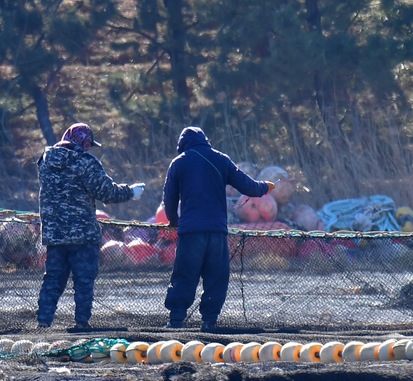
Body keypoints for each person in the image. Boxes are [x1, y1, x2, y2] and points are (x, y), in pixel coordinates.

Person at [161, 127, 273, 331]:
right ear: (205, 141)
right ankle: (209, 321)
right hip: (216, 232)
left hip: (191, 232)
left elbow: (169, 198)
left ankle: (176, 320)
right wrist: (266, 186)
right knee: (216, 276)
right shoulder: (221, 159)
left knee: (185, 275)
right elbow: (249, 187)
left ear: (183, 144)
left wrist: (173, 221)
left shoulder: (179, 162)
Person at [36, 123, 143, 332]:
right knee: (84, 282)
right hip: (83, 234)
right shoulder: (85, 163)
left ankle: (43, 322)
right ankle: (81, 322)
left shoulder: (45, 162)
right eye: (88, 144)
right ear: (84, 142)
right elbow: (106, 192)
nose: (89, 149)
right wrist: (131, 192)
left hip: (54, 234)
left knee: (52, 280)